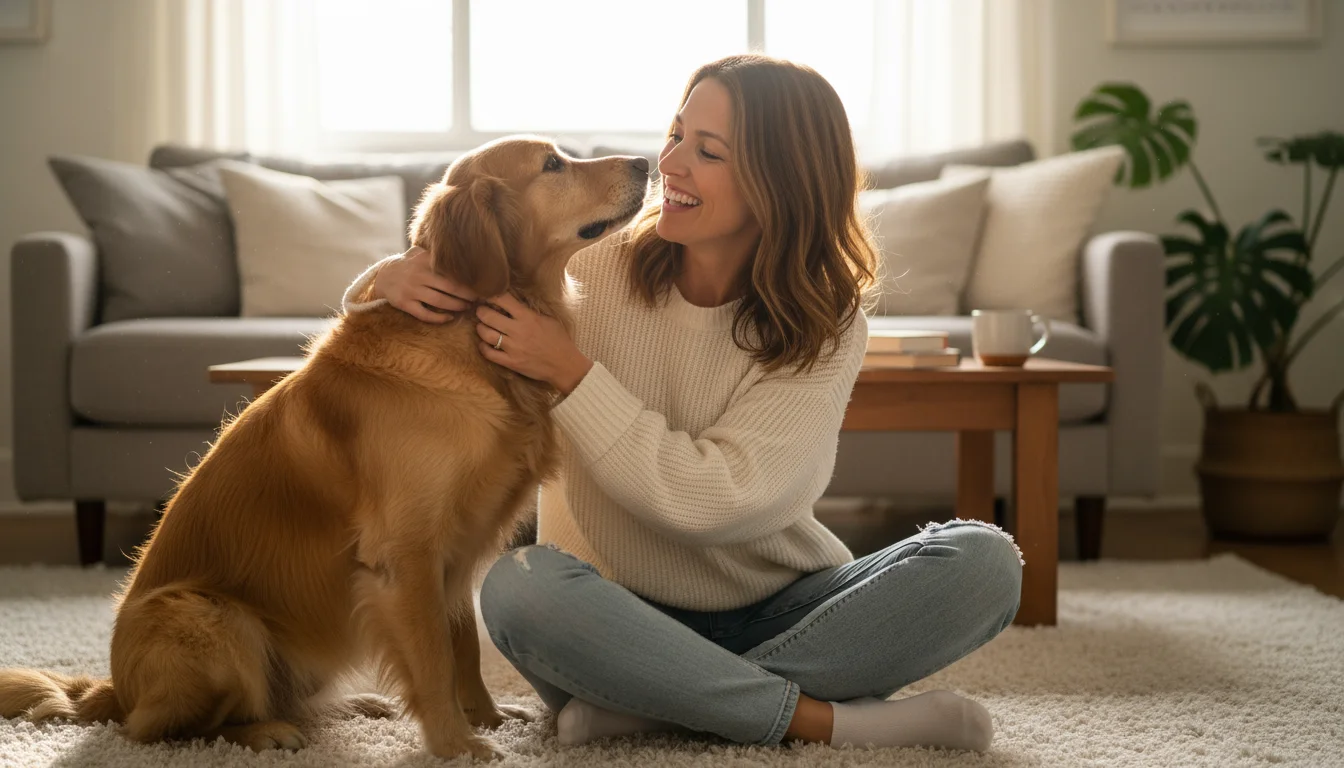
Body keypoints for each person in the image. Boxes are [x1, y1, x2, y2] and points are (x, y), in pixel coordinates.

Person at [340, 54, 1022, 752]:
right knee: (519, 589)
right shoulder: (588, 265)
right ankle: (823, 719)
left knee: (984, 562)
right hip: (612, 614)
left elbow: (716, 500)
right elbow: (454, 282)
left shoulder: (829, 326)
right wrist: (378, 280)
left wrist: (573, 375)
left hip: (785, 607)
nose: (670, 162)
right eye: (675, 133)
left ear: (778, 181)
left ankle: (655, 705)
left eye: (708, 151)